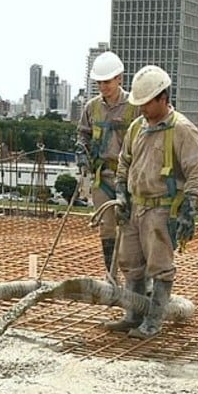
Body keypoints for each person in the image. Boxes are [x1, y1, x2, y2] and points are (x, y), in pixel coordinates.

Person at [102, 64, 198, 339]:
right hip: (135, 206)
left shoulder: (182, 129)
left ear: (163, 98)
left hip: (161, 208)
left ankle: (153, 321)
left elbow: (197, 171)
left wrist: (190, 208)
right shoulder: (137, 127)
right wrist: (121, 192)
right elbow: (125, 162)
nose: (142, 109)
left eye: (147, 103)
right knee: (130, 263)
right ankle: (133, 315)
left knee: (160, 267)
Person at [76, 51, 137, 279]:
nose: (103, 87)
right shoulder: (92, 108)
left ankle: (135, 278)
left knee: (131, 228)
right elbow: (83, 133)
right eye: (99, 82)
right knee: (107, 227)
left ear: (119, 78)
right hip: (103, 177)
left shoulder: (134, 106)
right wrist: (81, 151)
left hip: (130, 178)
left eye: (107, 82)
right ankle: (111, 275)